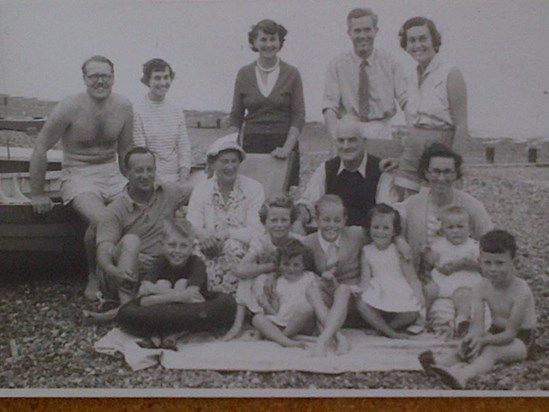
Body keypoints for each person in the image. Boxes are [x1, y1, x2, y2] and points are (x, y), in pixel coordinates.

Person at [29, 55, 133, 301]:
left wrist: (136, 186)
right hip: (79, 174)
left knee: (134, 214)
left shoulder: (124, 106)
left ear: (113, 78)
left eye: (105, 76)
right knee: (103, 220)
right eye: (94, 76)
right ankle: (94, 276)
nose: (100, 81)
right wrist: (37, 193)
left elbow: (126, 152)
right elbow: (40, 147)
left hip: (112, 173)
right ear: (84, 79)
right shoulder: (69, 107)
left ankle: (128, 272)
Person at [419, 230, 537, 389]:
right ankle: (443, 363)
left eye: (499, 263)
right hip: (495, 331)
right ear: (480, 261)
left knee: (490, 351)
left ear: (513, 262)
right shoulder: (481, 286)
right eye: (487, 263)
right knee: (468, 345)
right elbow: (478, 326)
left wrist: (483, 341)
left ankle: (463, 375)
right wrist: (472, 339)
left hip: (521, 339)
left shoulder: (521, 291)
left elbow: (510, 334)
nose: (493, 269)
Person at [93, 147, 192, 316]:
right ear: (127, 173)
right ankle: (130, 311)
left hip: (158, 272)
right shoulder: (115, 209)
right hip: (122, 273)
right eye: (139, 171)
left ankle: (128, 311)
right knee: (131, 240)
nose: (145, 176)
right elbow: (104, 252)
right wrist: (114, 272)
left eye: (150, 170)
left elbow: (199, 191)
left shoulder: (168, 193)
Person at [115, 218, 236, 350]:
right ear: (163, 245)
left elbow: (192, 294)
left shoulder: (197, 263)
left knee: (181, 283)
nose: (177, 251)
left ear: (192, 247)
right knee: (163, 283)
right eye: (172, 245)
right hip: (164, 310)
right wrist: (178, 296)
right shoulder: (160, 263)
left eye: (183, 246)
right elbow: (143, 291)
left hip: (192, 311)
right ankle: (160, 335)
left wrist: (154, 297)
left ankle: (169, 335)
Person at [388, 17, 469, 200]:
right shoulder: (409, 76)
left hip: (440, 157)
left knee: (438, 210)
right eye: (412, 40)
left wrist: (455, 168)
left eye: (423, 38)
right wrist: (400, 158)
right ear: (406, 45)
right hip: (411, 156)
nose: (418, 45)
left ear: (434, 40)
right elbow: (414, 123)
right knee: (408, 210)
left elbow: (462, 127)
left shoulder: (450, 73)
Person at [228, 19, 305, 187]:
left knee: (282, 202)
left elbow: (298, 116)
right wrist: (231, 147)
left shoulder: (292, 73)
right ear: (254, 42)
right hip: (252, 145)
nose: (268, 45)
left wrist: (286, 148)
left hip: (283, 144)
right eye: (263, 39)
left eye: (273, 39)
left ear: (280, 42)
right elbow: (236, 117)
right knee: (251, 196)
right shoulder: (244, 74)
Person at [186, 136, 265, 295]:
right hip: (207, 244)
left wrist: (228, 233)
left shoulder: (254, 188)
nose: (230, 166)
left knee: (231, 248)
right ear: (214, 164)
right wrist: (205, 237)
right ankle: (201, 298)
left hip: (241, 248)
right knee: (195, 254)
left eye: (234, 161)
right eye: (224, 161)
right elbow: (192, 224)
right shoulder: (201, 189)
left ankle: (229, 301)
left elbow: (257, 230)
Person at [399, 143, 493, 275]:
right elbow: (388, 230)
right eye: (436, 171)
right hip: (420, 277)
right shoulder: (411, 205)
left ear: (456, 174)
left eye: (447, 172)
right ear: (426, 173)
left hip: (464, 275)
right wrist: (399, 240)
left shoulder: (472, 206)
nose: (441, 178)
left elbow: (492, 244)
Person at [322, 8, 409, 146]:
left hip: (382, 129)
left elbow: (407, 101)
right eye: (357, 31)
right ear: (349, 33)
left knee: (381, 167)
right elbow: (329, 107)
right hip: (349, 130)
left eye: (367, 30)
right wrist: (335, 141)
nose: (363, 35)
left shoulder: (391, 63)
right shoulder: (337, 65)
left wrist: (413, 135)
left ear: (376, 31)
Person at [223, 194, 303, 341]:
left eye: (284, 220)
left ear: (291, 223)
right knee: (251, 279)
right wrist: (271, 268)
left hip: (290, 285)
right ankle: (238, 323)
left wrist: (275, 275)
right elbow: (240, 269)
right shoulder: (262, 241)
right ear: (264, 223)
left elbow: (304, 270)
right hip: (267, 288)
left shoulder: (296, 242)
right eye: (273, 220)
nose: (279, 225)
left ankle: (271, 325)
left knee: (264, 279)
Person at [303, 195, 368, 356]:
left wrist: (400, 241)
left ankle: (322, 341)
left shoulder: (356, 235)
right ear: (316, 220)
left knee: (343, 289)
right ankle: (339, 338)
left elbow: (385, 231)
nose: (331, 225)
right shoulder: (308, 243)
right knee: (311, 290)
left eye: (337, 220)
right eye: (326, 220)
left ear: (345, 220)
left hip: (351, 296)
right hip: (327, 298)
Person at [354, 204, 424, 339]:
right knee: (361, 303)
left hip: (398, 287)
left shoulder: (399, 250)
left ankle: (387, 328)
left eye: (386, 228)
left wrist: (418, 294)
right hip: (378, 288)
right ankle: (389, 332)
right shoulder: (366, 250)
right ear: (369, 229)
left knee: (413, 312)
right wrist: (360, 291)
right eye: (376, 227)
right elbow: (365, 279)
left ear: (394, 231)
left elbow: (412, 277)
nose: (380, 232)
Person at [295, 120, 381, 229]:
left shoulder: (380, 170)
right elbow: (307, 202)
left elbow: (385, 212)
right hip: (333, 236)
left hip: (369, 238)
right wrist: (298, 221)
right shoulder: (327, 169)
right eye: (341, 141)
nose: (346, 146)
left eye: (352, 140)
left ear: (364, 141)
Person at [423, 206, 482, 337]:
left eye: (460, 227)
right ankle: (421, 317)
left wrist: (469, 264)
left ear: (469, 229)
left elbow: (482, 266)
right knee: (428, 290)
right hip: (442, 282)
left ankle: (462, 319)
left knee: (463, 296)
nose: (456, 231)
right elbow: (429, 260)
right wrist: (430, 257)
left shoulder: (473, 246)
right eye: (450, 227)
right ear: (443, 230)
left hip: (464, 283)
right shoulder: (439, 244)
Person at [133, 58, 191, 184]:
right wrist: (159, 183)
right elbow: (142, 155)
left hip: (177, 178)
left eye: (166, 77)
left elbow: (183, 148)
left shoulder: (176, 110)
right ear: (148, 81)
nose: (163, 82)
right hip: (151, 179)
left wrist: (183, 180)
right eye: (157, 78)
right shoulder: (137, 111)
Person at [250, 238, 317, 348]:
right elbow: (275, 313)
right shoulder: (277, 282)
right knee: (257, 318)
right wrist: (266, 305)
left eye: (296, 265)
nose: (291, 268)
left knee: (306, 308)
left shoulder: (310, 277)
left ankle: (279, 337)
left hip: (304, 324)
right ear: (279, 265)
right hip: (282, 323)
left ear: (304, 265)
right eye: (286, 264)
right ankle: (288, 341)